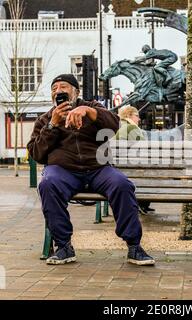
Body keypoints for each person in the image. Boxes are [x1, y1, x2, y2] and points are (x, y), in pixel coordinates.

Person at [27, 74, 155, 266]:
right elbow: (36, 153)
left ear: (76, 91)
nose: (58, 91)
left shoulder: (93, 107)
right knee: (48, 184)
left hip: (98, 168)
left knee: (122, 184)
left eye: (63, 87)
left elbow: (113, 125)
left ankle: (134, 246)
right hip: (64, 170)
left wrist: (88, 111)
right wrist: (52, 125)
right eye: (54, 89)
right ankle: (63, 246)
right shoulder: (45, 119)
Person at [115, 106, 155, 215]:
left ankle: (143, 204)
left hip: (117, 170)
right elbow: (144, 149)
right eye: (137, 116)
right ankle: (142, 203)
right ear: (129, 116)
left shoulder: (116, 126)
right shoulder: (131, 128)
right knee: (152, 173)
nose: (139, 119)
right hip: (131, 169)